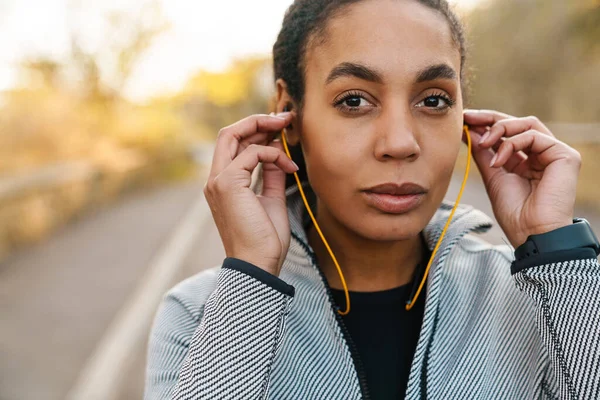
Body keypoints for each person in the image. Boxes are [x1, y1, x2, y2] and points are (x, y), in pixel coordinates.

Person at [144, 0, 600, 399]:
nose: (400, 143)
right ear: (287, 112)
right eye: (355, 101)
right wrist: (251, 279)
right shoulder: (199, 313)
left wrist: (555, 250)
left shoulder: (539, 297)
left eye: (434, 100)